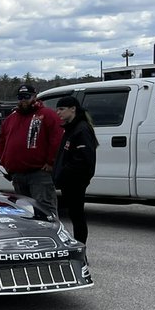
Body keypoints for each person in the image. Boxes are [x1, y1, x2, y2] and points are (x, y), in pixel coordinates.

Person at [0, 83, 62, 217]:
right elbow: (2, 142)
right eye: (20, 97)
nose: (23, 100)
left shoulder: (47, 115)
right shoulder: (11, 119)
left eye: (27, 97)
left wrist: (51, 162)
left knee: (45, 210)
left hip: (39, 174)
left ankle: (49, 236)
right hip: (17, 174)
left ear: (35, 97)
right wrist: (6, 163)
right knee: (24, 212)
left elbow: (56, 140)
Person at [54, 95, 98, 243]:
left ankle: (80, 249)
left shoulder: (82, 128)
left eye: (61, 109)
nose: (58, 112)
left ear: (73, 109)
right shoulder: (70, 128)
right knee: (73, 214)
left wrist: (65, 173)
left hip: (76, 181)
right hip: (68, 181)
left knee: (77, 216)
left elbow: (83, 158)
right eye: (57, 109)